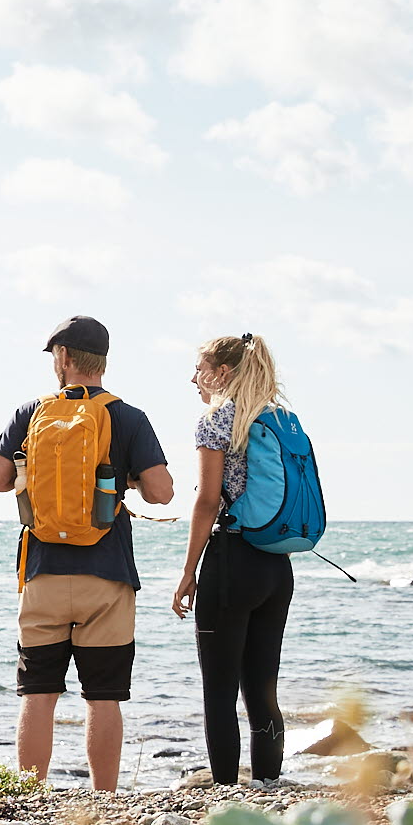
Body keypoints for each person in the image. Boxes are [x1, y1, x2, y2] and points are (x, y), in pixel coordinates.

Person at [0, 315, 174, 792]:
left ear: (63, 357)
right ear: (102, 360)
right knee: (103, 696)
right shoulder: (128, 417)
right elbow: (162, 492)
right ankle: (104, 798)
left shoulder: (31, 413)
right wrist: (124, 479)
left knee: (38, 692)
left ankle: (31, 794)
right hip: (107, 577)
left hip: (43, 574)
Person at [170, 331, 294, 785]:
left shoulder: (217, 420)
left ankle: (224, 791)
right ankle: (269, 784)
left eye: (199, 369)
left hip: (231, 563)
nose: (194, 379)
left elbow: (207, 501)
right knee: (263, 687)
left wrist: (189, 571)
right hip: (276, 565)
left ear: (222, 372)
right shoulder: (281, 418)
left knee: (219, 691)